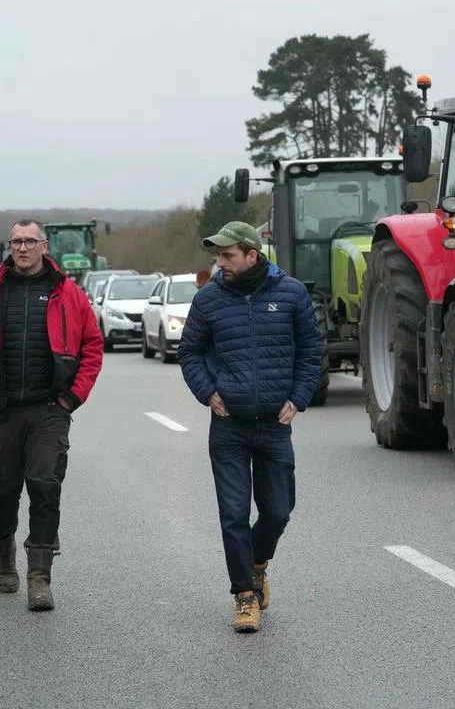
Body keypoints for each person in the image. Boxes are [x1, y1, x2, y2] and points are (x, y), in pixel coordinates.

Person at [178, 221, 322, 633]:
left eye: (227, 256)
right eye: (218, 256)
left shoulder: (291, 294)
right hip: (229, 427)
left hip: (275, 425)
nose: (220, 263)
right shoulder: (208, 300)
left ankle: (258, 564)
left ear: (252, 256)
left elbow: (311, 352)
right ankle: (244, 595)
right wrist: (208, 392)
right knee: (234, 515)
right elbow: (189, 352)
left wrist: (298, 397)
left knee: (278, 512)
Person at [0, 219, 103, 611]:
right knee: (2, 490)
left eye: (29, 241)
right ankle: (3, 555)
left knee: (45, 485)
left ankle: (39, 577)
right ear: (10, 246)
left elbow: (92, 346)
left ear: (44, 246)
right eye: (16, 241)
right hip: (1, 411)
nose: (22, 248)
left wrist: (72, 397)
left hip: (49, 409)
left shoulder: (68, 293)